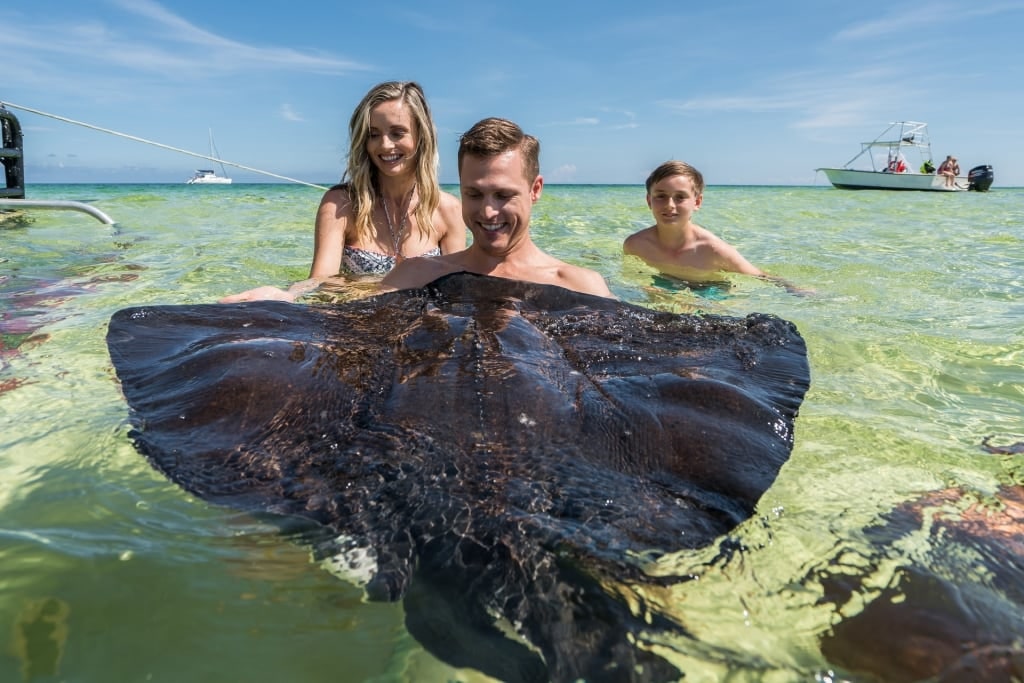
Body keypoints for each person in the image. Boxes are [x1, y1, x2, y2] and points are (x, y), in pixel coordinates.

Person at [221, 81, 465, 303]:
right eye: (373, 134)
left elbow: (457, 294)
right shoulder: (340, 204)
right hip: (356, 329)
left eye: (397, 132)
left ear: (422, 136)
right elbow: (320, 281)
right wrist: (286, 295)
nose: (385, 145)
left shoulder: (449, 210)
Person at [379, 117, 613, 298]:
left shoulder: (581, 287)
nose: (488, 211)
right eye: (474, 194)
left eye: (503, 195)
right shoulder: (413, 276)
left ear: (535, 189)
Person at [622, 160, 767, 285]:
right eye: (661, 196)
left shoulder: (714, 250)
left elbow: (763, 278)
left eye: (680, 197)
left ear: (697, 202)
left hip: (710, 291)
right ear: (649, 201)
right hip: (664, 284)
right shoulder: (636, 245)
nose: (670, 205)